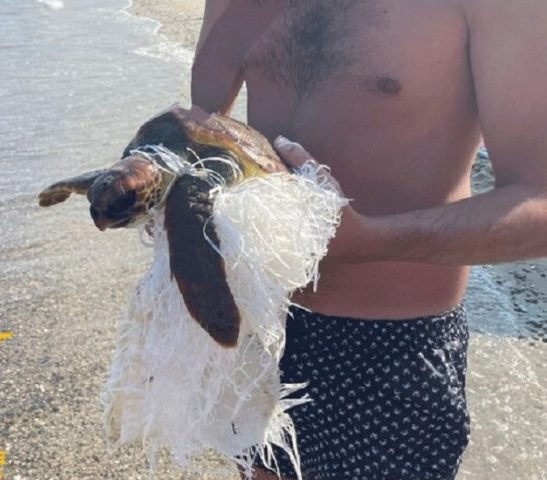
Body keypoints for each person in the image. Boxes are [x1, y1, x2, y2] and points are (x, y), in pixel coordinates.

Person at [189, 1, 547, 479]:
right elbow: (202, 127)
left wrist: (369, 240)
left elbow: (539, 204)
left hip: (389, 346)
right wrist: (167, 184)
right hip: (259, 316)